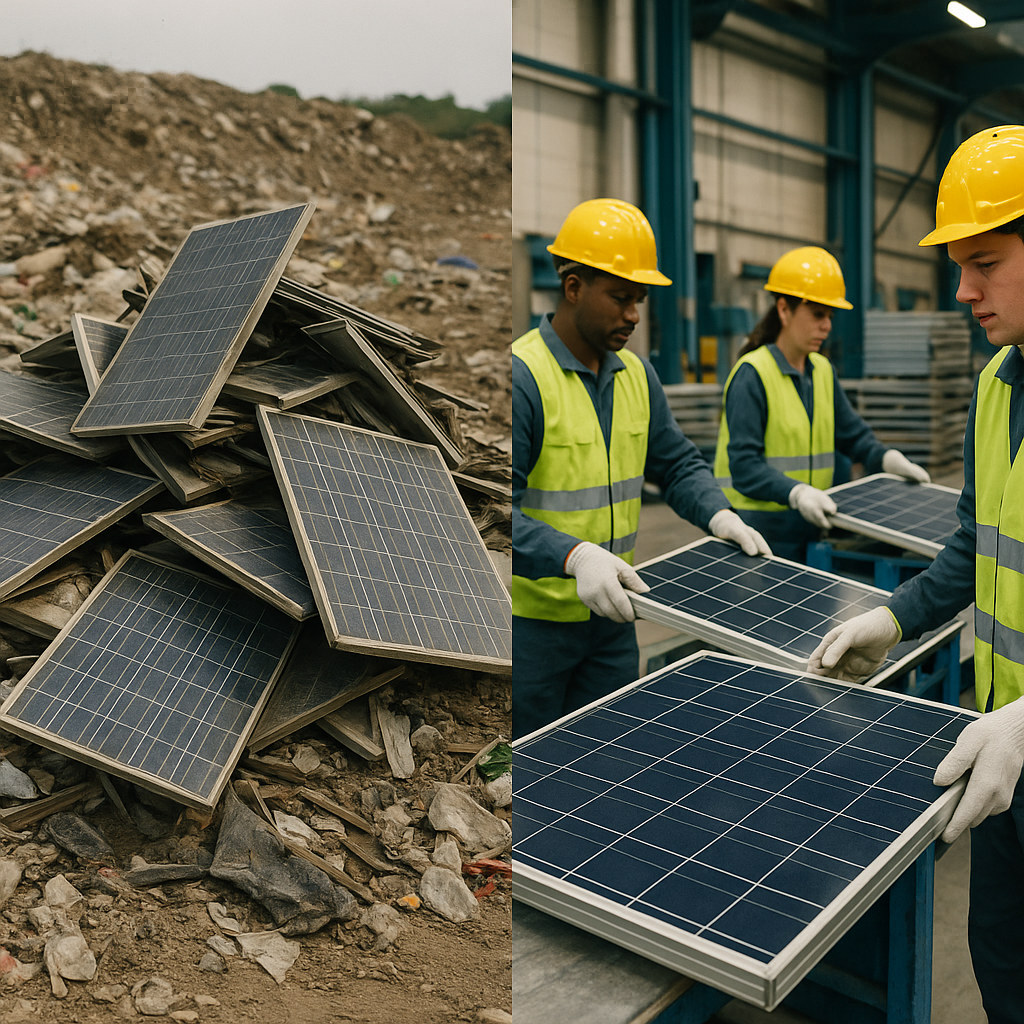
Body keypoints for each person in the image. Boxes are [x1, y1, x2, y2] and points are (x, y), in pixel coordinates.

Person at [808, 124, 1024, 1024]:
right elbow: (976, 555)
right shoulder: (992, 386)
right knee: (1003, 967)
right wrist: (890, 619)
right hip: (1002, 759)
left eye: (985, 261)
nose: (963, 289)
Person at [512, 198, 770, 740]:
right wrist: (573, 556)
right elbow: (492, 512)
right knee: (531, 772)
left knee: (607, 761)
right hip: (533, 631)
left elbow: (675, 462)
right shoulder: (524, 377)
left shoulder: (637, 374)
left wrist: (719, 515)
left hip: (613, 618)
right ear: (574, 286)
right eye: (621, 298)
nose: (633, 315)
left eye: (641, 300)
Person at [713, 246, 931, 562]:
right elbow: (744, 468)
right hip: (757, 538)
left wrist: (886, 458)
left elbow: (851, 434)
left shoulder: (822, 371)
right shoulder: (753, 374)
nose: (827, 326)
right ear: (784, 309)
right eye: (817, 314)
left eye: (829, 316)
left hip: (812, 529)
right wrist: (796, 492)